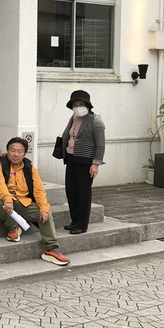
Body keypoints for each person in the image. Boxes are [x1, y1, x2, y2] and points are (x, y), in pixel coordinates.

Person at [0, 137, 70, 266]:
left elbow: (39, 190)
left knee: (44, 211)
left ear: (24, 153)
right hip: (5, 199)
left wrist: (43, 209)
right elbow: (0, 186)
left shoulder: (30, 168)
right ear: (7, 151)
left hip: (23, 202)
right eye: (12, 150)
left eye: (19, 151)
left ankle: (51, 248)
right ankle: (13, 226)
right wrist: (7, 199)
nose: (15, 154)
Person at [61, 90, 106, 234]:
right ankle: (74, 221)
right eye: (75, 104)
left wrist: (96, 164)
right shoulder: (73, 117)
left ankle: (81, 225)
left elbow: (101, 144)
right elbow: (68, 135)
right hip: (71, 159)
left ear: (87, 105)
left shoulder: (96, 121)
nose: (78, 107)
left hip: (85, 161)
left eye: (81, 104)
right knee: (71, 192)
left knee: (83, 194)